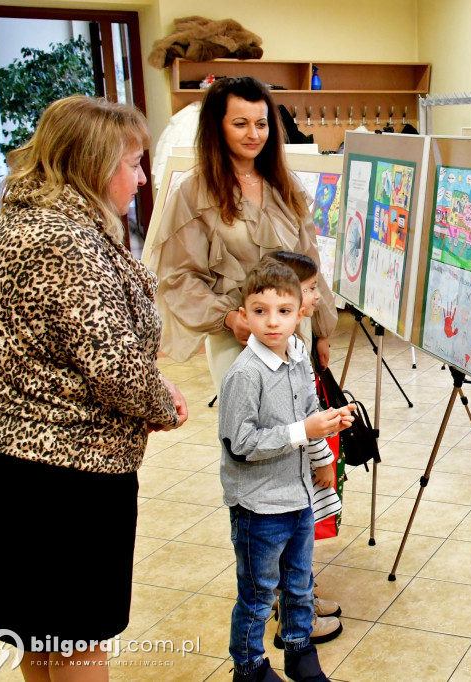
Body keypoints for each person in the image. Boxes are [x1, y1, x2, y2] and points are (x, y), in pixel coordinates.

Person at [0, 95, 188, 681]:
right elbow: (112, 364)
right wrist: (162, 402)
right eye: (134, 162)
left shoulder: (18, 220)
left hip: (10, 464)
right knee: (73, 640)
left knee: (38, 636)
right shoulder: (65, 240)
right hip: (65, 477)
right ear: (95, 165)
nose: (142, 178)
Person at [148, 76, 337, 389]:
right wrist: (228, 318)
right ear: (217, 127)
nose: (254, 134)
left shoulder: (284, 186)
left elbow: (309, 263)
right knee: (248, 429)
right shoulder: (194, 193)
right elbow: (179, 277)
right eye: (240, 124)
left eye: (261, 124)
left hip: (293, 331)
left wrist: (322, 330)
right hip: (237, 336)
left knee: (297, 425)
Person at [219, 260, 355, 682]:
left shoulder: (297, 356)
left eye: (283, 311)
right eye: (260, 311)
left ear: (300, 313)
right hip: (259, 508)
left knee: (298, 584)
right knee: (259, 595)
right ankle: (249, 668)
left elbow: (309, 412)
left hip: (298, 499)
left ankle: (300, 652)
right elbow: (240, 445)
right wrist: (303, 431)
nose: (272, 322)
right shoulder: (244, 374)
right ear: (244, 315)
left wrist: (324, 450)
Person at [266, 251, 345, 647]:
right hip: (286, 476)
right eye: (312, 289)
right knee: (291, 547)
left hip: (298, 469)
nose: (317, 297)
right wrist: (323, 460)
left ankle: (303, 600)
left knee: (300, 543)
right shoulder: (277, 359)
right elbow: (300, 420)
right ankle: (297, 624)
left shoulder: (295, 348)